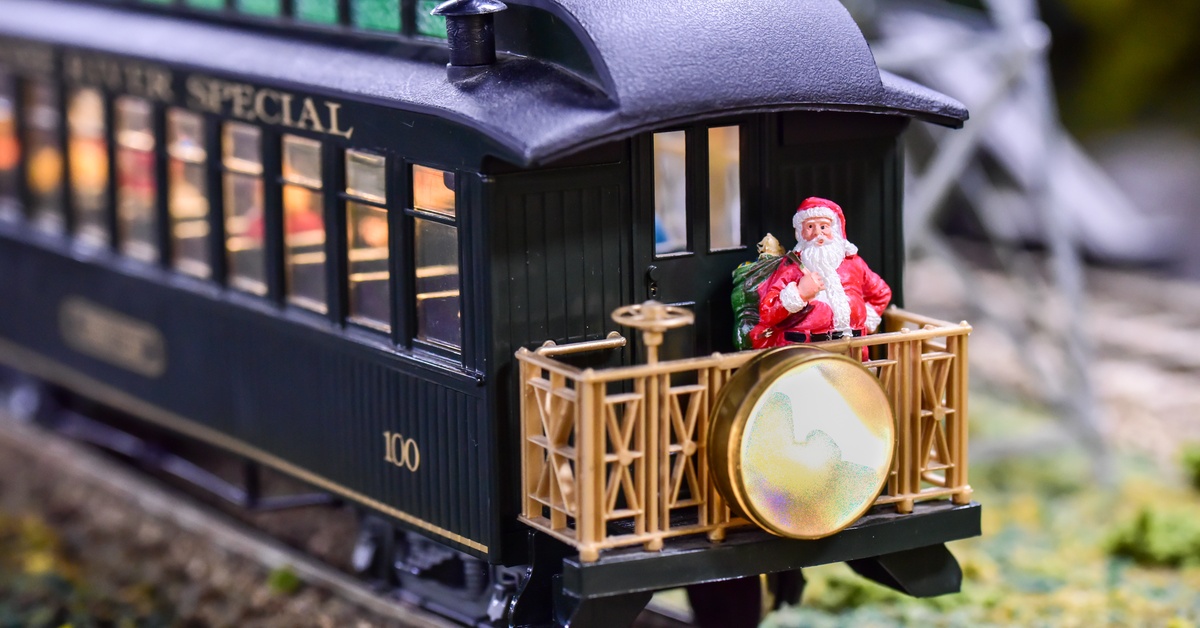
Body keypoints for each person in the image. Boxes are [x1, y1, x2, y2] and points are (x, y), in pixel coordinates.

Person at [749, 197, 891, 349]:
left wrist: (861, 318)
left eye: (823, 227)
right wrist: (799, 293)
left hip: (852, 353)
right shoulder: (791, 268)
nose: (818, 233)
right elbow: (767, 312)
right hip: (804, 354)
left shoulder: (853, 264)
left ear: (834, 229)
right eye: (810, 226)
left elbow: (881, 293)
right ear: (801, 233)